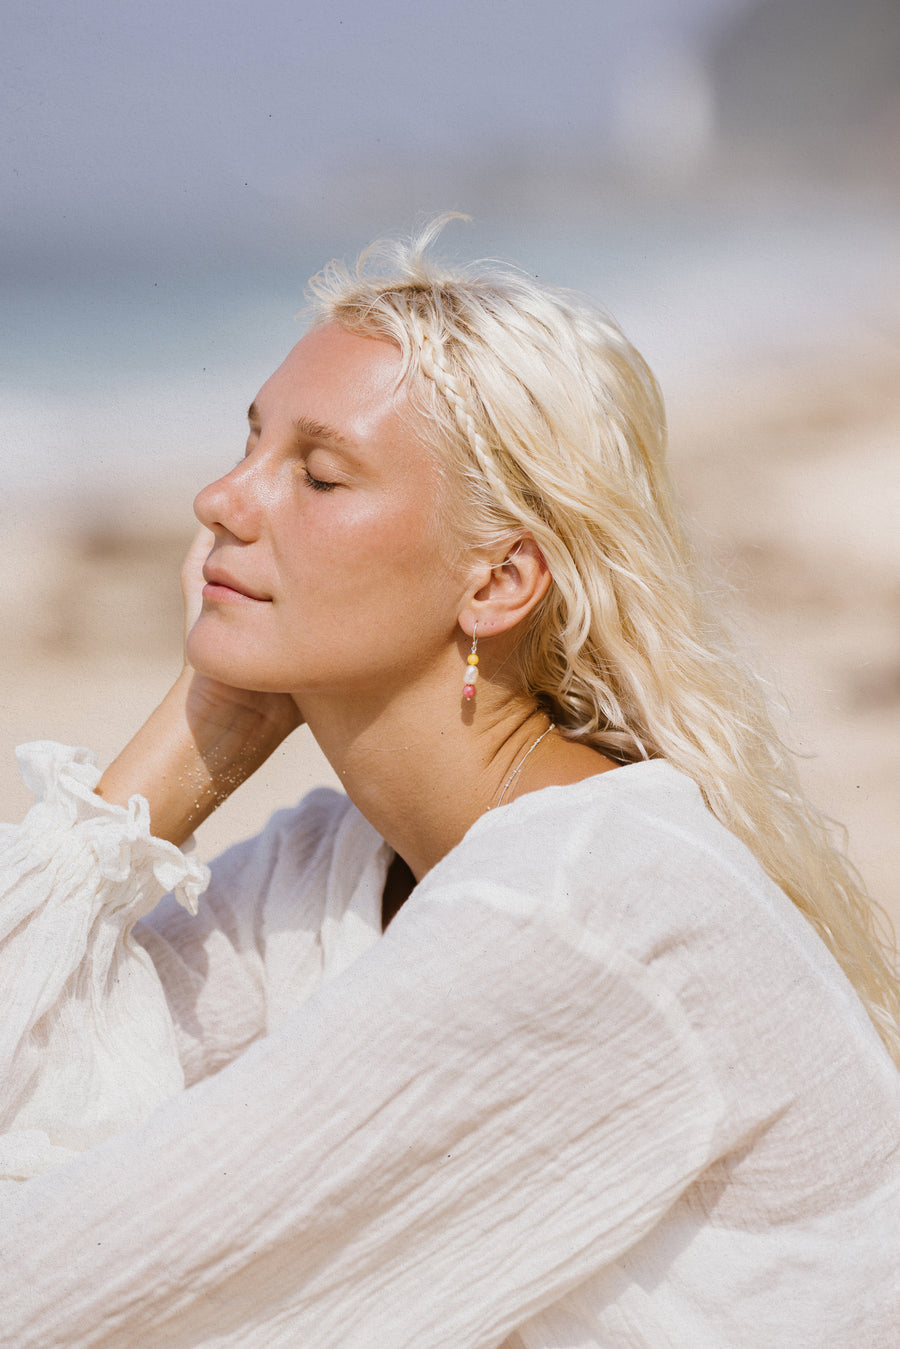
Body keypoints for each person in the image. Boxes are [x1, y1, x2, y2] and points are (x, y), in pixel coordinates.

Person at [1, 221, 898, 1348]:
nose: (221, 500)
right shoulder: (335, 866)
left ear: (499, 580)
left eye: (317, 475)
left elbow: (60, 1296)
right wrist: (193, 744)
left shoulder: (581, 912)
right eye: (249, 443)